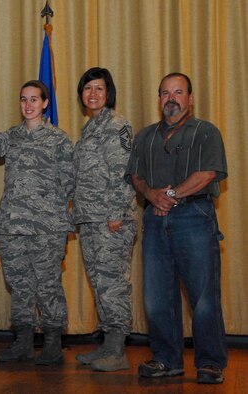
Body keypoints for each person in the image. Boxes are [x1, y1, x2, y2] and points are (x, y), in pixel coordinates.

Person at [125, 73, 228, 384]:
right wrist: (151, 194)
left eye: (178, 92)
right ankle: (166, 359)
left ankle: (210, 363)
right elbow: (135, 176)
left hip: (194, 217)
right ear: (159, 99)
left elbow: (208, 173)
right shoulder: (144, 136)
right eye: (165, 93)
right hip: (155, 221)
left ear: (190, 98)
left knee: (203, 297)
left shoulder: (206, 132)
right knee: (157, 297)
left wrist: (169, 195)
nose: (171, 98)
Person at [0, 80, 74, 365]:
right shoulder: (11, 136)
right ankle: (22, 342)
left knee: (47, 284)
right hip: (13, 225)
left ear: (45, 103)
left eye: (34, 99)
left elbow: (70, 182)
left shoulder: (58, 139)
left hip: (47, 227)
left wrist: (55, 213)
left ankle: (52, 343)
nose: (28, 105)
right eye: (24, 99)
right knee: (20, 285)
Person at [73, 67, 137, 372]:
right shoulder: (90, 128)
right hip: (90, 220)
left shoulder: (116, 125)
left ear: (108, 93)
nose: (93, 94)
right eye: (87, 89)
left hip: (111, 220)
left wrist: (115, 214)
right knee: (99, 283)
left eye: (98, 89)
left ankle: (117, 351)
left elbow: (122, 173)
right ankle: (107, 346)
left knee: (112, 284)